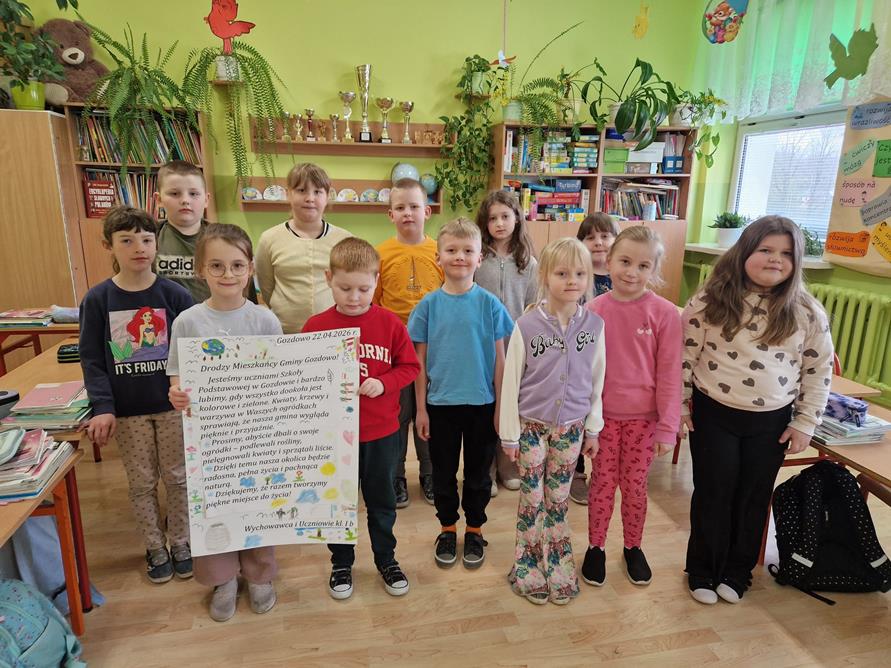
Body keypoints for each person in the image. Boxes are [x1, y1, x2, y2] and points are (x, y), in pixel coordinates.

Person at [681, 216, 834, 605]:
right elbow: (683, 356)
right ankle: (702, 569)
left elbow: (818, 371)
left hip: (771, 422)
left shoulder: (807, 311)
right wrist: (679, 405)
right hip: (713, 414)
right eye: (765, 250)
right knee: (713, 492)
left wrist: (805, 422)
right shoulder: (710, 300)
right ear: (744, 252)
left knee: (752, 496)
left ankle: (738, 571)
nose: (775, 259)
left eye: (786, 253)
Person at [167, 223, 282, 622]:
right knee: (215, 506)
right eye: (216, 265)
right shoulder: (188, 322)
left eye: (236, 265)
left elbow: (280, 377)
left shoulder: (265, 320)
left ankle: (260, 574)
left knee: (258, 504)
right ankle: (223, 579)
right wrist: (177, 393)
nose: (227, 274)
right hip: (209, 439)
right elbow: (177, 377)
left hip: (256, 435)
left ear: (250, 268)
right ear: (201, 270)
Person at [79, 206, 194, 584]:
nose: (139, 248)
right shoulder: (98, 299)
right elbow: (92, 359)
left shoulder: (175, 294)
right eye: (126, 241)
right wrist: (103, 407)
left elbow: (194, 348)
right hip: (128, 412)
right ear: (108, 246)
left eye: (146, 239)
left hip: (172, 407)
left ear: (156, 243)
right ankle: (154, 545)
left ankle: (181, 541)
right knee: (142, 482)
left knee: (179, 478)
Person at [303, 238, 420, 601]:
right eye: (345, 288)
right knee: (338, 503)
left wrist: (384, 383)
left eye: (364, 289)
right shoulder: (316, 326)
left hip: (381, 434)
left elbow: (410, 367)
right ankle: (341, 563)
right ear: (328, 278)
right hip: (335, 437)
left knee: (382, 501)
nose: (354, 297)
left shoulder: (389, 323)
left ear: (376, 281)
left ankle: (386, 559)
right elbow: (303, 378)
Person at [499, 237, 606, 605]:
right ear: (545, 276)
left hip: (572, 429)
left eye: (579, 273)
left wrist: (593, 427)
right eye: (562, 273)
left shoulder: (595, 326)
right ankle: (528, 570)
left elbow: (598, 380)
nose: (571, 280)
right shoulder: (526, 325)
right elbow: (511, 381)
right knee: (532, 499)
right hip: (531, 427)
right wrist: (509, 435)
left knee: (558, 500)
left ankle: (559, 569)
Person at [407, 218, 513, 570]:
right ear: (438, 257)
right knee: (443, 473)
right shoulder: (427, 307)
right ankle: (448, 528)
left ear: (479, 258)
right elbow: (419, 363)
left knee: (479, 474)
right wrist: (421, 409)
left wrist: (500, 408)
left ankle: (476, 529)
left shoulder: (490, 305)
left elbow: (500, 360)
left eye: (468, 250)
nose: (459, 257)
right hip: (440, 406)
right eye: (451, 250)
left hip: (483, 405)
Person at [582, 225, 681, 588]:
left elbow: (670, 374)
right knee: (601, 485)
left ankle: (633, 547)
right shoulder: (592, 311)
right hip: (602, 420)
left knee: (635, 488)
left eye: (643, 266)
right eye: (625, 261)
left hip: (644, 422)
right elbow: (583, 373)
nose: (632, 272)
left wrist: (668, 427)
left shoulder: (665, 314)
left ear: (653, 270)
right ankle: (595, 547)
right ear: (608, 260)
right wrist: (584, 422)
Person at [374, 178, 443, 508]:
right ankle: (397, 475)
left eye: (414, 206)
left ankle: (429, 473)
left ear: (427, 211)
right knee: (398, 414)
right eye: (400, 208)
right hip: (395, 349)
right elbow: (374, 303)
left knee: (427, 411)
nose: (407, 213)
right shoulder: (381, 254)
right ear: (390, 215)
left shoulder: (439, 252)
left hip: (433, 347)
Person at [474, 190, 538, 496]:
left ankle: (508, 465)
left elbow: (533, 307)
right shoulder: (477, 258)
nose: (499, 223)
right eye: (492, 218)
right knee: (486, 407)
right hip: (482, 347)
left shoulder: (529, 263)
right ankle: (485, 467)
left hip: (516, 348)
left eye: (505, 216)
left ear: (517, 219)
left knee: (512, 405)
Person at [255, 162, 352, 333]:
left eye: (317, 192)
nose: (310, 198)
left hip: (333, 333)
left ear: (327, 196)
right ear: (288, 194)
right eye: (301, 190)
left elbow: (351, 285)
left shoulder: (345, 240)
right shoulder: (269, 239)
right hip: (285, 332)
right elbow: (267, 288)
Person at [154, 160, 259, 305]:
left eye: (193, 194)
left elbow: (245, 286)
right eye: (175, 193)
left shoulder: (226, 239)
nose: (185, 200)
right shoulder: (150, 238)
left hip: (216, 316)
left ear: (206, 199)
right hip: (167, 317)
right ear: (159, 200)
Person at [570, 212, 620, 505]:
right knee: (579, 413)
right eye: (590, 237)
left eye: (605, 236)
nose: (598, 242)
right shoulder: (578, 278)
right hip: (581, 361)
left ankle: (603, 470)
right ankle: (576, 471)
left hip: (615, 361)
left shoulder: (623, 278)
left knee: (604, 417)